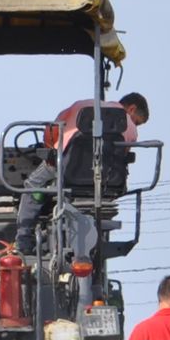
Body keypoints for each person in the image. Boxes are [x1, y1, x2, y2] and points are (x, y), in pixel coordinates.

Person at [14, 92, 149, 254]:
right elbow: (122, 155)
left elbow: (51, 133)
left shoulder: (81, 105)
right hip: (104, 181)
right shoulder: (129, 126)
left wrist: (51, 148)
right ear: (132, 109)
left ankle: (24, 239)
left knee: (33, 185)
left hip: (64, 168)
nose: (135, 125)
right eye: (137, 122)